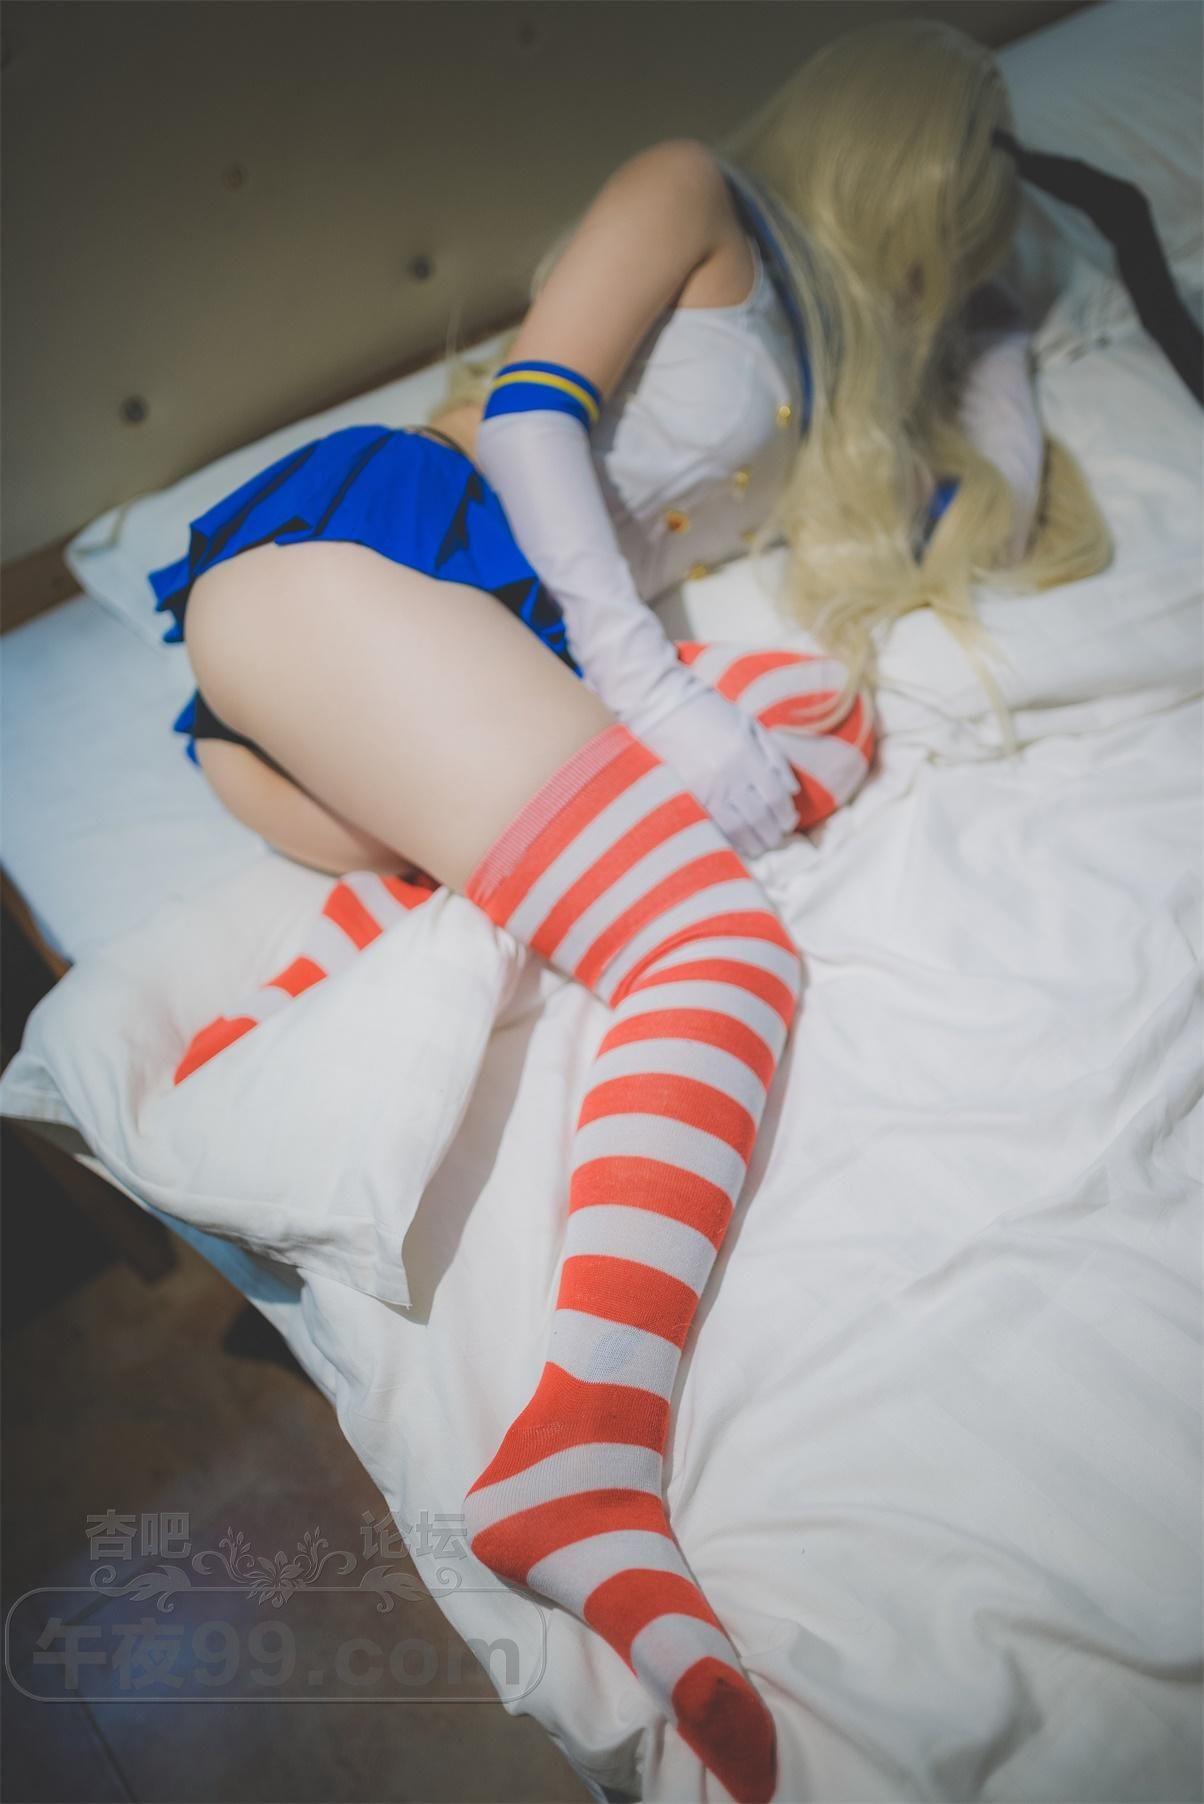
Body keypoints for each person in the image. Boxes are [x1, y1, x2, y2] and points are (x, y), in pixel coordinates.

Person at [153, 21, 1115, 1797]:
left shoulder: (848, 359)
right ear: (893, 131)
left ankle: (329, 977)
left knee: (818, 729)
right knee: (717, 940)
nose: (980, 189)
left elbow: (983, 520)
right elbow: (533, 420)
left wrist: (973, 325)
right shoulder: (692, 187)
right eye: (967, 151)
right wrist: (653, 686)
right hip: (376, 560)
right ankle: (579, 1459)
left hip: (433, 681)